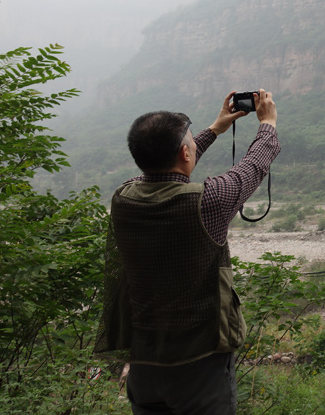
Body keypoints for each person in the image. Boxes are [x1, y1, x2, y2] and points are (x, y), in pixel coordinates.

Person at [95, 90, 280, 414]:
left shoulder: (123, 199)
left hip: (144, 360)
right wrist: (268, 124)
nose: (194, 144)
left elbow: (159, 171)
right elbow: (253, 166)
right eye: (191, 142)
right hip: (200, 364)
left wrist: (215, 129)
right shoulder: (208, 201)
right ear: (185, 151)